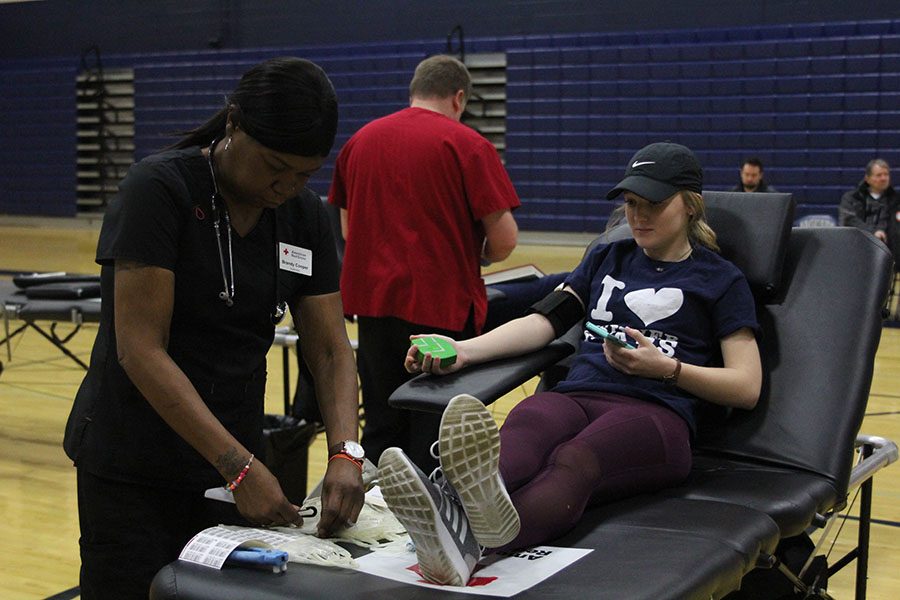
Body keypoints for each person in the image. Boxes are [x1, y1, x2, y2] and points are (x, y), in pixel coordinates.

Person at [379, 142, 763, 586]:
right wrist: (465, 350)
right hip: (578, 394)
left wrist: (667, 369)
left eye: (653, 204)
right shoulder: (607, 257)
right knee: (525, 425)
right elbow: (543, 323)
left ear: (690, 205)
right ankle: (450, 510)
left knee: (574, 458)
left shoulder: (720, 279)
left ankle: (465, 541)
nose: (638, 216)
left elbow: (746, 385)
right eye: (632, 203)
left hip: (658, 412)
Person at [63, 57, 365, 599]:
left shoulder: (303, 215)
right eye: (276, 165)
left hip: (231, 464)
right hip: (135, 463)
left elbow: (329, 351)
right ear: (233, 124)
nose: (287, 185)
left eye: (305, 174)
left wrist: (346, 452)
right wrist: (238, 468)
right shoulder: (159, 190)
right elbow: (141, 350)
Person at [328, 54, 520, 472]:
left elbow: (347, 229)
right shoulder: (468, 144)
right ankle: (435, 528)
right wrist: (476, 250)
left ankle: (377, 517)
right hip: (442, 310)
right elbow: (504, 241)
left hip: (375, 308)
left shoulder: (360, 140)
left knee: (381, 424)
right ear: (459, 97)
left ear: (414, 91)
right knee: (435, 433)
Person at [838, 159, 897, 250]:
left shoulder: (896, 200)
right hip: (857, 249)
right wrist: (873, 232)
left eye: (886, 174)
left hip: (890, 252)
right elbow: (848, 220)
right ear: (867, 178)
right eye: (879, 175)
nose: (883, 178)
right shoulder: (852, 198)